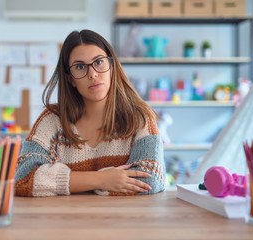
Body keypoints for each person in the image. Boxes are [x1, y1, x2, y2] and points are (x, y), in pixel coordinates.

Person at [15, 29, 165, 197]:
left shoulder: (139, 116)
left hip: (121, 222)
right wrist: (102, 180)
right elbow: (23, 177)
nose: (92, 74)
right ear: (70, 78)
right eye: (79, 67)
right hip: (65, 221)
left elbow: (150, 180)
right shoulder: (52, 120)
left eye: (99, 62)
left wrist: (63, 182)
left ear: (112, 66)